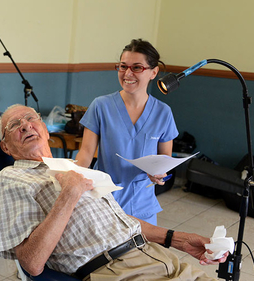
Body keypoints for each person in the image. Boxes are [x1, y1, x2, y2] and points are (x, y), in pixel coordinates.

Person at [0, 104, 227, 280]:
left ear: (44, 128)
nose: (25, 125)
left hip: (159, 256)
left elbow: (119, 220)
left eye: (30, 118)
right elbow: (31, 263)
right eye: (14, 125)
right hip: (115, 270)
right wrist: (70, 194)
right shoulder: (11, 178)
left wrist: (179, 239)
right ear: (5, 146)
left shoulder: (71, 167)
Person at [75, 39, 178, 225]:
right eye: (123, 66)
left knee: (142, 252)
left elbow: (165, 160)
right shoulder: (101, 106)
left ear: (153, 72)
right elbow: (86, 153)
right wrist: (73, 179)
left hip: (142, 205)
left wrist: (159, 174)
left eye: (137, 67)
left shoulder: (163, 113)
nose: (127, 73)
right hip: (104, 199)